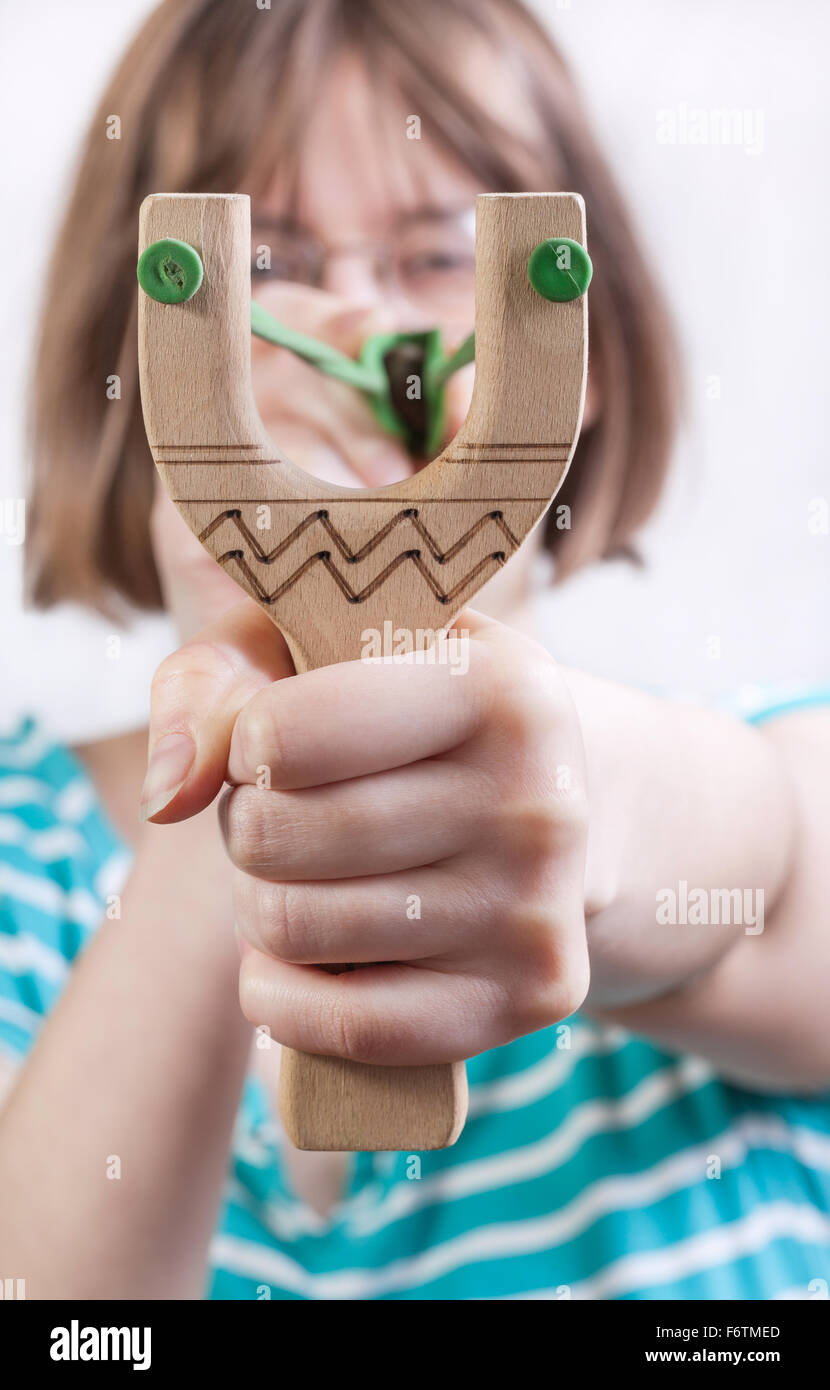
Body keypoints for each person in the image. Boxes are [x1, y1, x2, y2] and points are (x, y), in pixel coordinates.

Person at [1, 0, 828, 1300]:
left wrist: (581, 818)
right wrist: (242, 685)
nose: (342, 329)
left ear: (579, 352)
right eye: (263, 270)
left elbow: (772, 870)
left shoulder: (761, 750)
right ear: (148, 361)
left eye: (436, 257)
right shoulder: (21, 852)